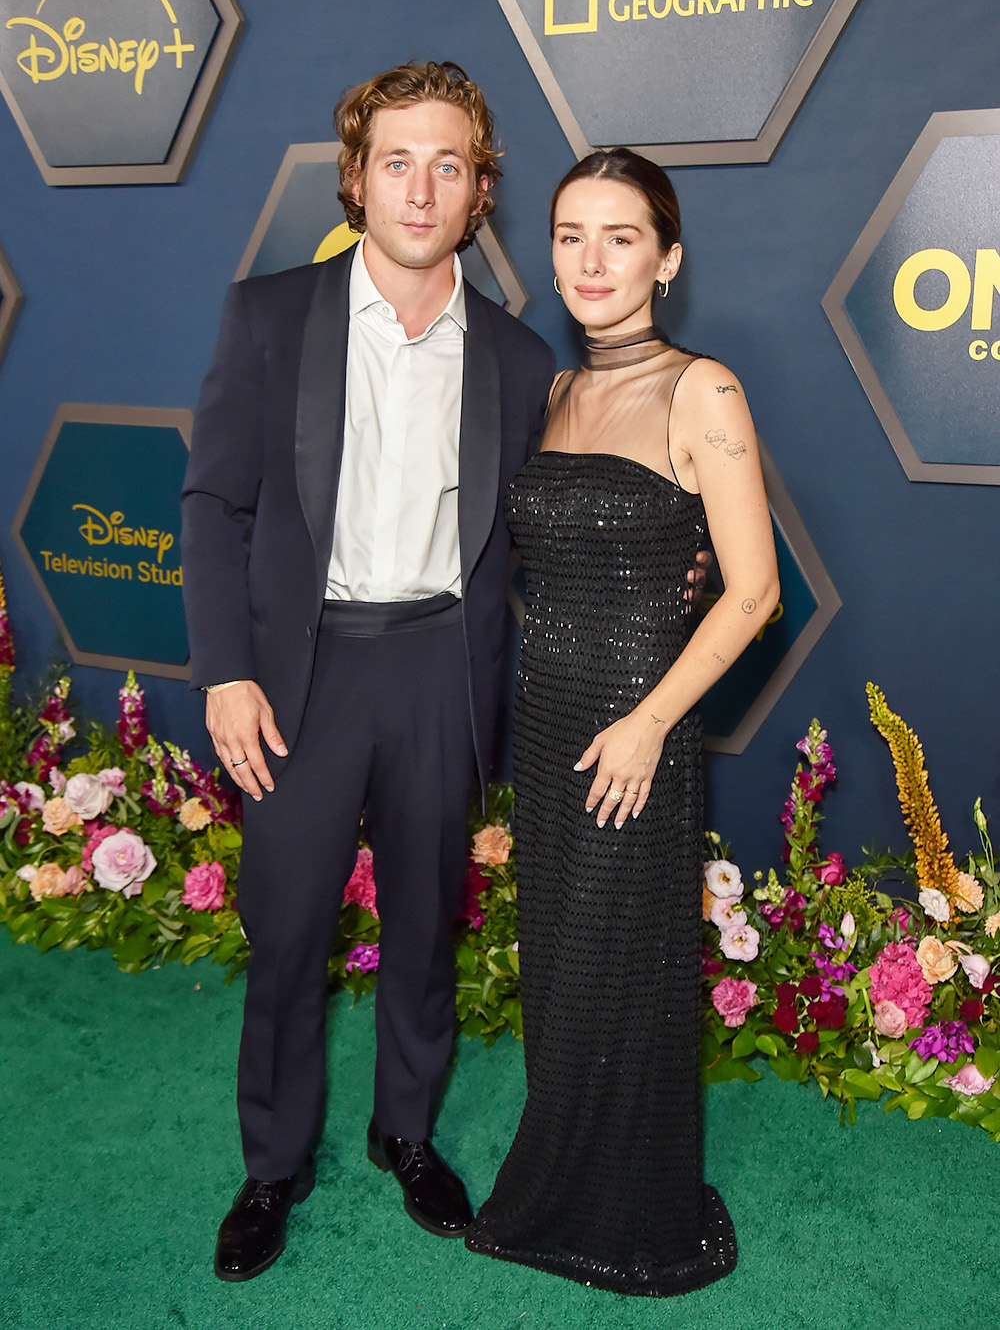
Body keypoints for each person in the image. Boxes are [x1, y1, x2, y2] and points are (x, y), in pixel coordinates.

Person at [180, 62, 555, 1282]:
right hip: (301, 674)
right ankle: (273, 1163)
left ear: (479, 190)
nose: (421, 185)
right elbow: (211, 503)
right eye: (397, 160)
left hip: (437, 666)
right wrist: (226, 672)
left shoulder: (514, 353)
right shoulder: (268, 315)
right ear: (356, 177)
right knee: (286, 931)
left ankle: (407, 1130)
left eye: (448, 163)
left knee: (422, 927)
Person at [465, 148, 779, 1296]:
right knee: (557, 961)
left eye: (621, 236)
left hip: (636, 729)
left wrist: (649, 721)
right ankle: (560, 1179)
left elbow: (753, 591)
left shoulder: (705, 390)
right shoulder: (554, 390)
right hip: (549, 720)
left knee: (621, 963)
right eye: (568, 235)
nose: (590, 260)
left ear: (668, 256)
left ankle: (631, 1211)